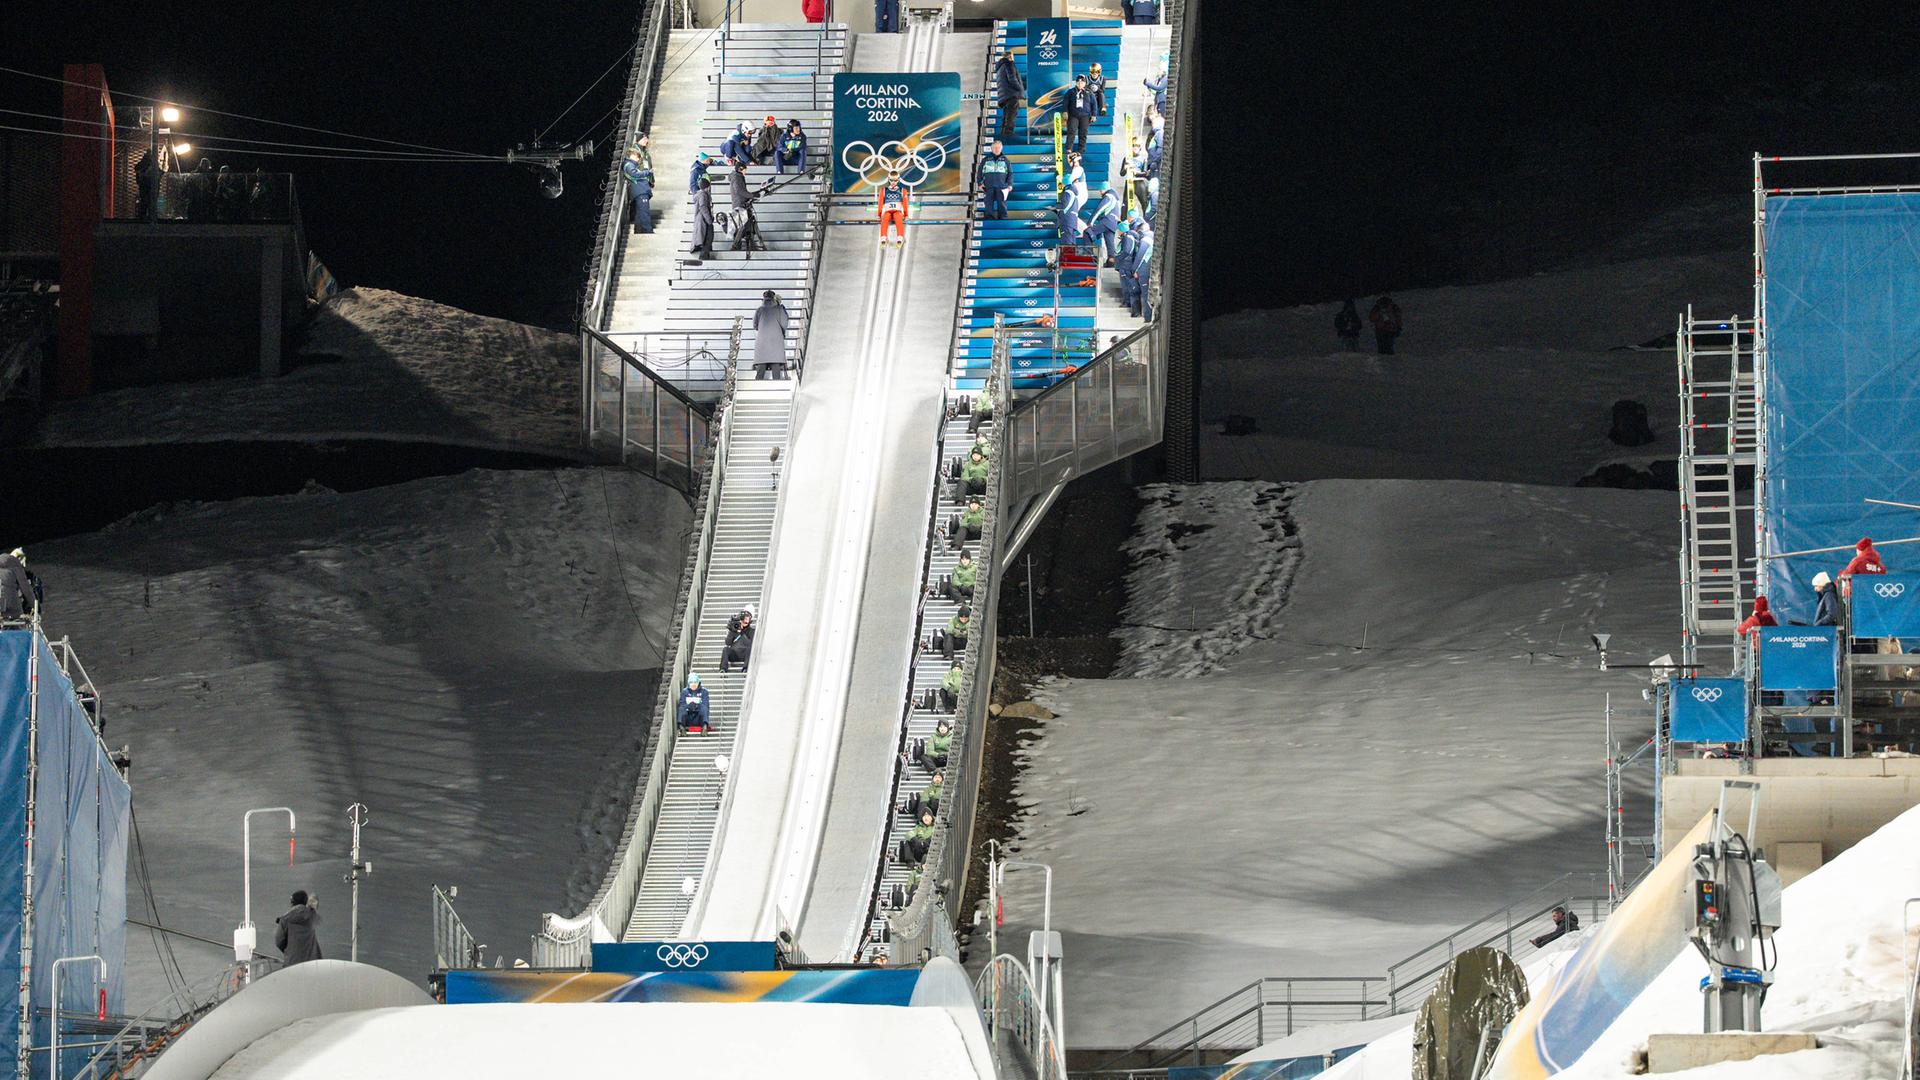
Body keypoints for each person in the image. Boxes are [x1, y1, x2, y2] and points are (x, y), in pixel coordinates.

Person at [275, 891, 323, 965]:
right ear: (305, 902)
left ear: (292, 902)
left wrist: (289, 951)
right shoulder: (312, 915)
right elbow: (315, 906)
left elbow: (279, 941)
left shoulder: (285, 919)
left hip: (292, 962)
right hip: (313, 962)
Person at [1083, 184, 1124, 266]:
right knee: (1110, 244)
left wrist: (1090, 222)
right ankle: (1111, 262)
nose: (1100, 192)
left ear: (1105, 189)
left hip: (1107, 222)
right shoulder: (1116, 199)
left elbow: (1099, 209)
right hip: (1113, 223)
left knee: (1087, 232)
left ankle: (1090, 258)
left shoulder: (1108, 196)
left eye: (1101, 190)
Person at [754, 291, 790, 380]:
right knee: (776, 364)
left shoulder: (760, 310)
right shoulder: (779, 309)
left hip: (762, 341)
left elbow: (755, 325)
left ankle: (757, 387)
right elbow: (784, 323)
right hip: (776, 340)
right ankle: (776, 386)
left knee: (761, 365)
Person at [993, 52, 1026, 143]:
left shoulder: (1000, 67)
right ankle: (1008, 133)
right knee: (1011, 115)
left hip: (1005, 95)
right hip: (1012, 94)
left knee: (1006, 115)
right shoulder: (1009, 64)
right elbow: (1012, 78)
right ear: (1010, 57)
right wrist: (1020, 89)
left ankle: (1004, 134)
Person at [621, 150, 654, 235]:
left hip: (640, 191)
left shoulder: (632, 165)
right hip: (640, 191)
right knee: (644, 212)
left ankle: (638, 231)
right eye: (637, 157)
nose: (638, 159)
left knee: (639, 213)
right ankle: (648, 230)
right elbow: (634, 174)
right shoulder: (629, 165)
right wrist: (647, 172)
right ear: (632, 155)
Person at [979, 140, 1013, 221]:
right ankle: (989, 219)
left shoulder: (1006, 160)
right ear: (992, 148)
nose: (996, 149)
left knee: (1002, 204)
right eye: (995, 148)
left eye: (998, 148)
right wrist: (980, 183)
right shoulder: (985, 159)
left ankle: (1003, 219)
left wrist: (1010, 184)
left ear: (1001, 148)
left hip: (1002, 186)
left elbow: (1010, 173)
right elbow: (979, 172)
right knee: (988, 203)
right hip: (988, 186)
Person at [1129, 220, 1155, 320]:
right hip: (1150, 270)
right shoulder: (1152, 237)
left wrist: (1134, 269)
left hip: (1144, 271)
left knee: (1145, 295)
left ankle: (1148, 317)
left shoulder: (1145, 241)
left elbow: (1140, 256)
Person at [0, 548, 35, 622]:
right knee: (18, 619)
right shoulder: (15, 563)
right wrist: (34, 605)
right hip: (10, 599)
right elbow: (26, 588)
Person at [1065, 75, 1095, 156]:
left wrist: (1094, 115)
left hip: (1085, 116)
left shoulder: (1089, 92)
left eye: (1082, 82)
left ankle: (1081, 150)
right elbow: (1065, 103)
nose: (1080, 83)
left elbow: (1094, 104)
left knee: (1083, 133)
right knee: (1071, 131)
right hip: (1073, 115)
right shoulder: (1071, 92)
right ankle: (1069, 148)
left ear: (1085, 83)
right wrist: (1065, 112)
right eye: (1078, 82)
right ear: (1076, 82)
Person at [877, 171, 910, 248]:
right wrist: (878, 215)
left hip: (897, 211)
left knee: (898, 217)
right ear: (888, 179)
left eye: (895, 180)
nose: (893, 182)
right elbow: (880, 203)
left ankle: (900, 238)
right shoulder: (883, 190)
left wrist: (906, 215)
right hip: (887, 211)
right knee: (884, 217)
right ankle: (883, 238)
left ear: (898, 180)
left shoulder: (902, 191)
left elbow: (905, 204)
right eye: (891, 180)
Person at [689, 174, 716, 263]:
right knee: (708, 238)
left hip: (702, 220)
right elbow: (703, 207)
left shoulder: (699, 194)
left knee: (706, 238)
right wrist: (709, 220)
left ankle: (705, 255)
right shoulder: (703, 195)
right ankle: (704, 257)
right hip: (704, 220)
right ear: (707, 187)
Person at [721, 606, 756, 673]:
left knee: (750, 649)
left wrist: (741, 633)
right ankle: (723, 669)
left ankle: (745, 668)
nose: (744, 620)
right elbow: (728, 643)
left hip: (745, 654)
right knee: (725, 649)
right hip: (734, 654)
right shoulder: (735, 628)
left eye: (748, 617)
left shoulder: (752, 631)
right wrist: (732, 631)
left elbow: (749, 644)